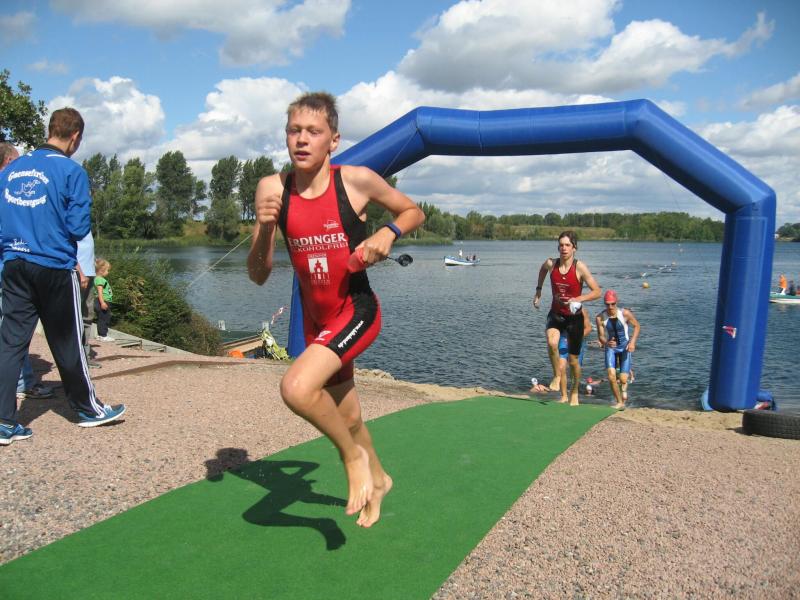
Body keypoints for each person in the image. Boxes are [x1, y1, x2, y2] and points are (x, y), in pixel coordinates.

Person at [246, 92, 425, 527]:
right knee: (349, 416)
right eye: (294, 130)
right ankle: (379, 480)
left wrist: (387, 233)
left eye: (314, 131)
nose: (302, 139)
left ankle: (351, 458)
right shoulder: (273, 189)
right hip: (316, 320)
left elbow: (413, 211)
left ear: (334, 140)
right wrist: (266, 228)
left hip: (356, 310)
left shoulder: (357, 181)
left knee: (296, 387)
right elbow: (258, 274)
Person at [0, 107, 126, 446]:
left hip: (13, 263)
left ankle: (4, 421)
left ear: (50, 130)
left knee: (11, 342)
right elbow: (78, 227)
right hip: (53, 265)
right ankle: (87, 409)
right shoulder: (71, 171)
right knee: (68, 340)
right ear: (75, 137)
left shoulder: (11, 170)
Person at [0, 143, 55, 404]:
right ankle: (23, 382)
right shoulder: (9, 189)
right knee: (14, 331)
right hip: (10, 269)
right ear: (9, 161)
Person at [533, 231, 601, 405]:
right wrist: (539, 290)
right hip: (556, 315)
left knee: (573, 361)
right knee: (552, 342)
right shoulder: (551, 264)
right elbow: (542, 269)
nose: (564, 248)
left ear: (574, 248)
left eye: (567, 245)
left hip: (574, 319)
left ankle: (575, 390)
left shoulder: (580, 267)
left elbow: (597, 292)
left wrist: (579, 298)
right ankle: (557, 376)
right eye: (561, 245)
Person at [596, 289, 641, 409]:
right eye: (607, 304)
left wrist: (632, 343)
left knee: (623, 379)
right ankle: (619, 402)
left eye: (613, 304)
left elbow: (637, 326)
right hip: (611, 348)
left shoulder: (625, 314)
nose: (610, 307)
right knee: (611, 376)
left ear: (617, 302)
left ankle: (624, 383)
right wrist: (606, 342)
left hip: (625, 347)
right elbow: (601, 336)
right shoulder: (600, 317)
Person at [76, 232, 101, 366]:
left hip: (89, 274)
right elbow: (65, 250)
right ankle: (73, 357)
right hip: (76, 275)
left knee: (88, 314)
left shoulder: (85, 226)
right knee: (74, 316)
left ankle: (85, 355)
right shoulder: (69, 222)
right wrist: (80, 273)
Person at [94, 258, 114, 342]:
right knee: (104, 318)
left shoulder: (99, 279)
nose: (108, 272)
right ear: (101, 270)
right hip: (103, 301)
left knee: (103, 318)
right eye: (107, 270)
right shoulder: (99, 279)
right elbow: (100, 291)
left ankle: (100, 335)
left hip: (104, 301)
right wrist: (102, 302)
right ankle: (103, 335)